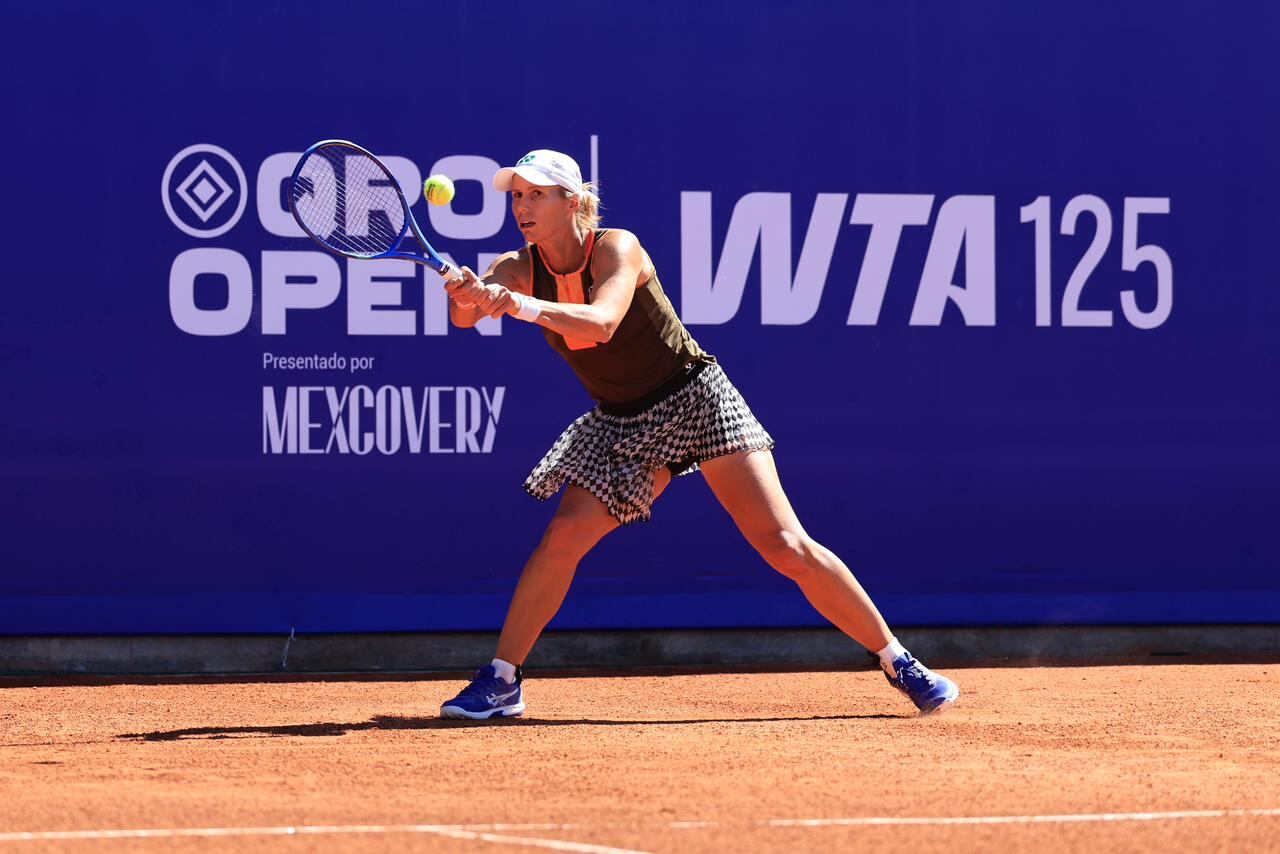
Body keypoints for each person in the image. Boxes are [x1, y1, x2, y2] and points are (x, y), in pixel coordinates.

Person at [438, 149, 958, 719]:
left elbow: (604, 322)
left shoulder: (617, 247)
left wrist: (516, 304)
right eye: (517, 195)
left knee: (783, 544)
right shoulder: (517, 266)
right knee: (563, 536)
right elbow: (467, 315)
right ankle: (502, 680)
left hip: (695, 397)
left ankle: (899, 660)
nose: (523, 206)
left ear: (573, 201)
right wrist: (467, 292)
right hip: (623, 420)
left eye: (537, 194)